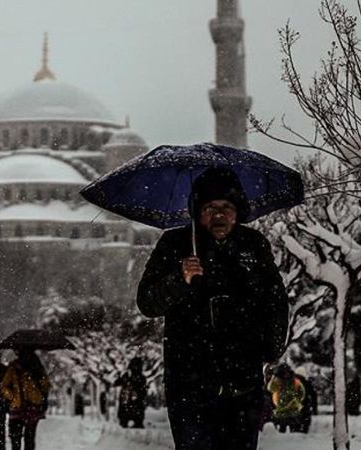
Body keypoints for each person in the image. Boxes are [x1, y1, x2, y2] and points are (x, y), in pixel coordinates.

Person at [136, 167, 289, 450]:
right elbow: (146, 301)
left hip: (243, 384)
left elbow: (276, 300)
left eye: (226, 207)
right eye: (210, 208)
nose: (219, 215)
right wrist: (178, 280)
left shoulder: (253, 245)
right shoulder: (175, 244)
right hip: (189, 385)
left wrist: (270, 347)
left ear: (237, 210)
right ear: (197, 211)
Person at [0, 349, 50, 450]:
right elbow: (46, 386)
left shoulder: (14, 367)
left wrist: (13, 396)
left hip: (17, 407)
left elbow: (4, 386)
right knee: (29, 438)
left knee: (16, 439)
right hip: (33, 407)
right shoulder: (38, 367)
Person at [267, 364, 306, 433]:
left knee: (293, 429)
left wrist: (296, 400)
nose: (286, 375)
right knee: (283, 428)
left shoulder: (295, 381)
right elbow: (270, 388)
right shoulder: (277, 381)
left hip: (291, 409)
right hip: (281, 408)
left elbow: (301, 392)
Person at [114, 357, 147, 428]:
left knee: (128, 416)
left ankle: (130, 423)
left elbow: (117, 382)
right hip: (132, 401)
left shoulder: (130, 376)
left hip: (130, 401)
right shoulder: (138, 377)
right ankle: (134, 423)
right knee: (135, 417)